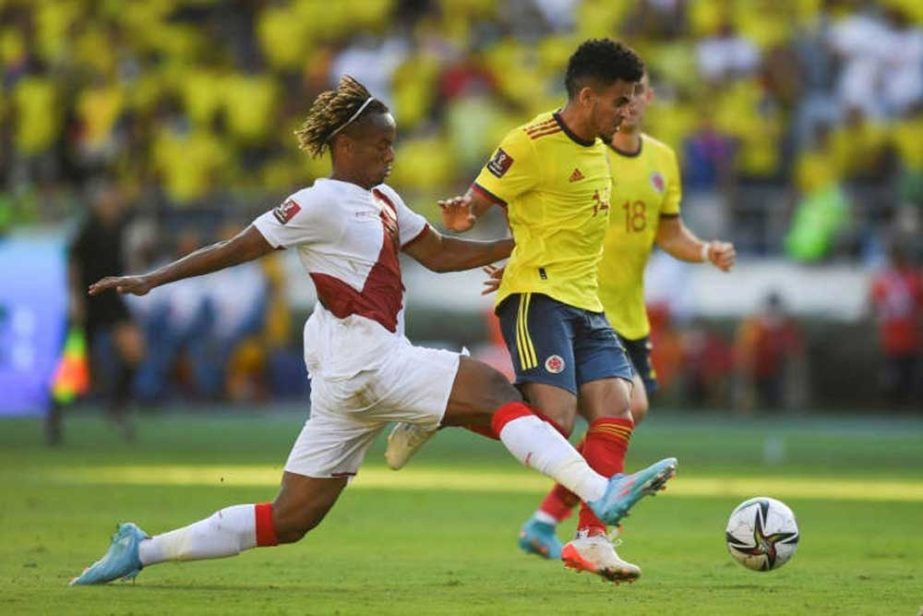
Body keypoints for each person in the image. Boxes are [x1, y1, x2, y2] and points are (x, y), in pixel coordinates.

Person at [70, 76, 675, 586]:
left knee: (289, 520)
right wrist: (152, 279)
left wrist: (525, 245)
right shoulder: (318, 202)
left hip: (353, 381)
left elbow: (438, 253)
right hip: (367, 364)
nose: (391, 154)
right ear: (344, 144)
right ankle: (599, 493)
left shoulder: (383, 199)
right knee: (495, 394)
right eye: (381, 144)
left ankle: (139, 550)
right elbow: (238, 248)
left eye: (394, 143)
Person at [385, 40, 678, 583]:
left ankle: (592, 539)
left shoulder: (599, 146)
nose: (626, 112)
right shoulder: (529, 142)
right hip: (536, 297)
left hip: (586, 302)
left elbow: (566, 225)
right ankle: (439, 409)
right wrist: (465, 213)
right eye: (619, 101)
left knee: (617, 409)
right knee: (555, 424)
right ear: (587, 96)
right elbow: (477, 201)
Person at [512, 71, 735, 560]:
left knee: (612, 420)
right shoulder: (585, 152)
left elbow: (670, 233)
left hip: (630, 318)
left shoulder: (662, 159)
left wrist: (705, 251)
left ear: (649, 98)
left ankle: (548, 521)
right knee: (620, 410)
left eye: (638, 93)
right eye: (622, 95)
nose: (630, 103)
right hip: (579, 305)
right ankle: (586, 532)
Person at [48, 182, 145, 445]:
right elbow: (72, 263)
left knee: (134, 350)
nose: (115, 205)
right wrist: (75, 299)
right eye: (110, 201)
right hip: (88, 300)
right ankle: (55, 414)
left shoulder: (121, 227)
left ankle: (117, 405)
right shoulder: (88, 229)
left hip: (112, 298)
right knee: (74, 363)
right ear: (99, 205)